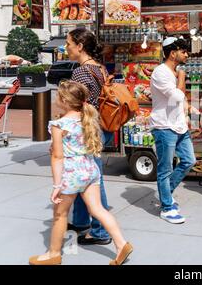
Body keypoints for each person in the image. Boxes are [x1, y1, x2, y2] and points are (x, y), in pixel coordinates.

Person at [29, 81, 132, 265]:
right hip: (90, 168)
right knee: (98, 209)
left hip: (71, 172)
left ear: (64, 100)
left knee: (60, 215)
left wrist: (56, 185)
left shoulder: (59, 124)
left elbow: (58, 157)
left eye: (57, 96)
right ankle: (121, 244)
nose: (54, 99)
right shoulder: (87, 117)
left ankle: (53, 254)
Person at [66, 28, 112, 245]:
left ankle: (100, 230)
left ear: (80, 46)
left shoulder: (80, 72)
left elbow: (77, 105)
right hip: (101, 127)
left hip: (88, 130)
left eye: (68, 44)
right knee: (85, 176)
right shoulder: (100, 68)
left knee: (94, 179)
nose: (66, 48)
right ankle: (81, 220)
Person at [150, 37, 196, 223]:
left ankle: (166, 194)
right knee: (165, 169)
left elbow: (180, 100)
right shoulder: (160, 73)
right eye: (183, 51)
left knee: (189, 160)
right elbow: (176, 96)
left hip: (178, 125)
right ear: (172, 53)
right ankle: (167, 207)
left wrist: (187, 110)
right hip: (164, 127)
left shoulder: (173, 72)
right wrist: (182, 79)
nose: (186, 54)